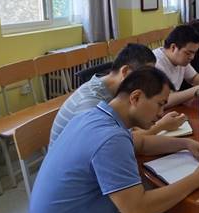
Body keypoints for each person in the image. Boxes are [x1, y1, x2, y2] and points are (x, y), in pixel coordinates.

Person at [27, 67, 199, 213]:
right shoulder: (110, 139)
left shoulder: (94, 116)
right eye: (159, 104)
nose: (161, 113)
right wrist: (197, 178)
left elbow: (141, 143)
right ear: (135, 98)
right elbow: (137, 211)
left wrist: (185, 144)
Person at [50, 43, 186, 145]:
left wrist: (184, 144)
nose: (151, 82)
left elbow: (130, 133)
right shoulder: (91, 105)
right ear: (125, 72)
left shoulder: (118, 95)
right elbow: (119, 142)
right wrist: (160, 126)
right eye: (146, 75)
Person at [153, 24, 199, 107]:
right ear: (173, 47)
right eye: (188, 53)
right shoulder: (155, 63)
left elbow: (193, 77)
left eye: (194, 53)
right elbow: (163, 101)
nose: (192, 57)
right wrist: (196, 90)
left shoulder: (180, 59)